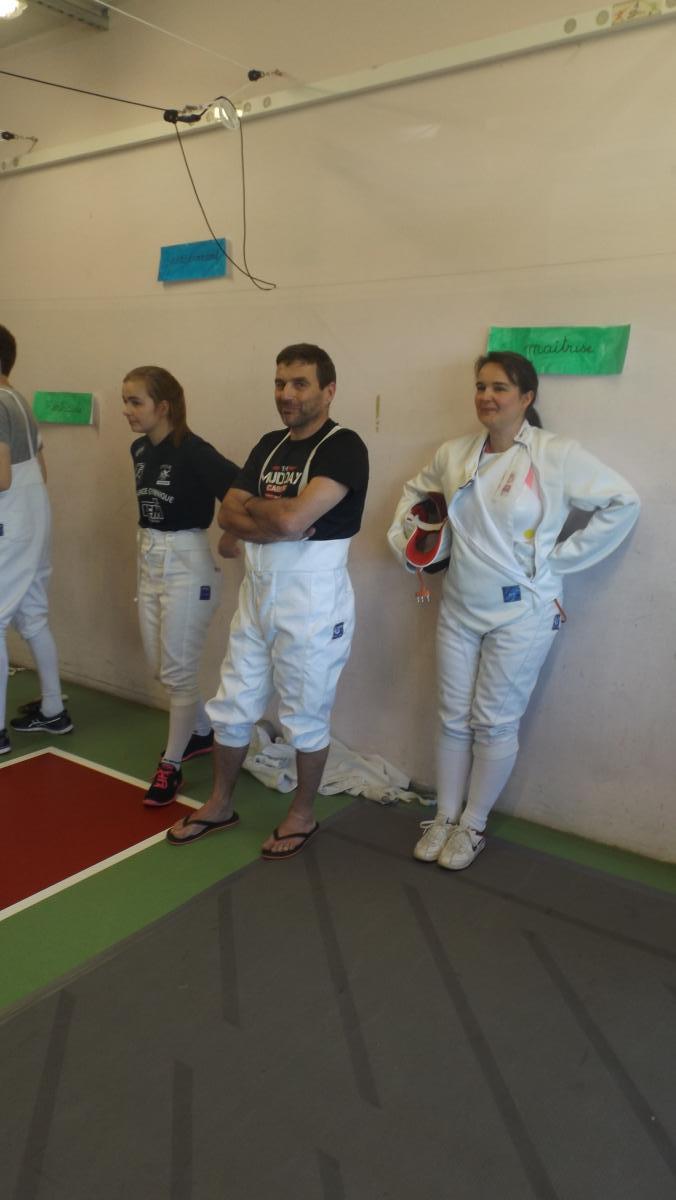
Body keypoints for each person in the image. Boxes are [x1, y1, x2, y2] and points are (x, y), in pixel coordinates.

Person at [388, 350, 640, 871]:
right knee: (452, 716)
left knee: (494, 723)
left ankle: (473, 824)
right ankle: (444, 816)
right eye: (481, 386)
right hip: (459, 606)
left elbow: (623, 502)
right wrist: (410, 541)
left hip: (523, 610)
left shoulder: (555, 454)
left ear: (526, 397)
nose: (487, 396)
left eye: (499, 388)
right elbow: (415, 495)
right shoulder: (454, 453)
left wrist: (558, 561)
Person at [166, 343, 369, 857]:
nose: (286, 394)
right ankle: (220, 803)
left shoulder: (343, 446)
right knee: (232, 702)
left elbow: (291, 520)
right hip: (257, 594)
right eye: (280, 383)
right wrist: (274, 517)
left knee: (305, 712)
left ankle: (303, 814)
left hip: (312, 600)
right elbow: (228, 517)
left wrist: (266, 515)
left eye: (300, 383)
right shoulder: (270, 445)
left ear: (329, 390)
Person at [122, 366, 239, 805]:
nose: (127, 410)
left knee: (178, 672)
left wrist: (232, 535)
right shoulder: (138, 449)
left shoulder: (194, 451)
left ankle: (170, 766)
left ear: (163, 407)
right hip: (149, 559)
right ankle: (201, 733)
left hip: (187, 566)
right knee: (161, 666)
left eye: (136, 402)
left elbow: (241, 488)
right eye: (126, 401)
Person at [0, 323, 72, 753]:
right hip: (33, 519)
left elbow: (1, 478)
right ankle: (52, 709)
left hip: (11, 523)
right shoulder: (18, 400)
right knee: (32, 616)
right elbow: (39, 470)